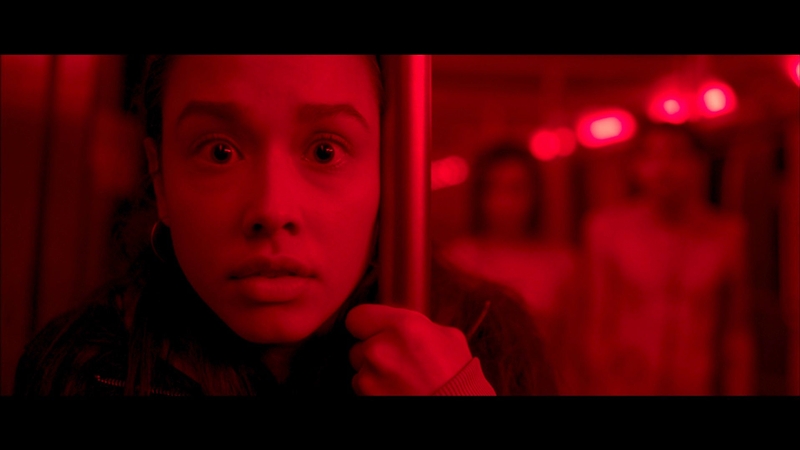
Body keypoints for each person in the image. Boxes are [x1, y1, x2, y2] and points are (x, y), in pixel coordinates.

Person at [14, 55, 556, 396]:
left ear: (387, 173)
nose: (272, 209)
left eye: (325, 151)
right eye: (220, 152)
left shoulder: (488, 342)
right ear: (160, 179)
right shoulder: (82, 368)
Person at [583, 122, 754, 395]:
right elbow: (596, 323)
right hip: (627, 385)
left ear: (698, 164)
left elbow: (736, 331)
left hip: (696, 384)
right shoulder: (608, 230)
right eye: (650, 155)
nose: (663, 168)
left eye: (676, 155)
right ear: (635, 166)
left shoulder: (726, 235)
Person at [440, 143, 582, 394]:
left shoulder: (560, 264)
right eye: (494, 188)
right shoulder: (461, 259)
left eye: (516, 189)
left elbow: (570, 350)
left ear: (535, 194)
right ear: (479, 194)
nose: (504, 201)